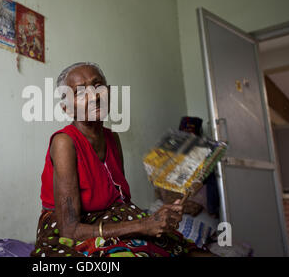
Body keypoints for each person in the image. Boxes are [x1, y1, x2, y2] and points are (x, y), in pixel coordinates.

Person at [31, 62, 213, 257]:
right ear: (67, 108)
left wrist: (157, 219)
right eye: (80, 92)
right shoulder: (64, 143)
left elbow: (121, 202)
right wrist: (141, 225)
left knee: (187, 251)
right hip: (71, 230)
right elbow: (70, 230)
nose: (93, 96)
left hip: (112, 218)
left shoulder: (112, 138)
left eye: (98, 86)